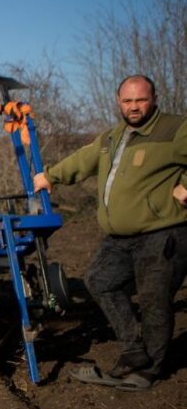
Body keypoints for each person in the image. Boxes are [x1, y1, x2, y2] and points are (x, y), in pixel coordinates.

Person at [34, 74, 187, 390]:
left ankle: (148, 371)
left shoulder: (174, 129)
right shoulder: (113, 137)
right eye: (128, 101)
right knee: (99, 281)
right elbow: (83, 159)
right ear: (119, 102)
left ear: (154, 100)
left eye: (141, 100)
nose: (134, 107)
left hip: (162, 233)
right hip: (121, 237)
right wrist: (50, 176)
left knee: (154, 299)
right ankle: (134, 350)